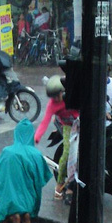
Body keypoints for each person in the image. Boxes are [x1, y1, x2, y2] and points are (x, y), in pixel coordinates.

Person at [0, 119, 53, 223]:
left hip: (10, 198)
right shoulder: (36, 154)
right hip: (28, 198)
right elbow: (42, 178)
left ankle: (15, 218)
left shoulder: (7, 151)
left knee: (3, 197)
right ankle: (26, 217)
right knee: (28, 196)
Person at [34, 74, 79, 203]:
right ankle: (60, 184)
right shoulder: (52, 105)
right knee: (68, 153)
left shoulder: (71, 96)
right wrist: (36, 138)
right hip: (67, 127)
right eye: (53, 96)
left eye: (57, 95)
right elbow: (44, 122)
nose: (56, 98)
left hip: (80, 122)